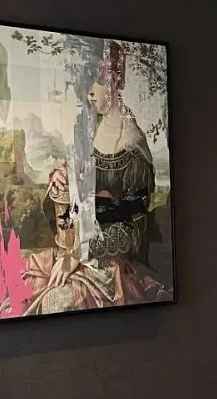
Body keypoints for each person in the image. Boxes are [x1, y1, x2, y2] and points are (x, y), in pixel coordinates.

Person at [20, 42, 167, 315]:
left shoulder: (132, 146)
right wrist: (61, 182)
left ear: (115, 81)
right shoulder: (86, 126)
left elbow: (133, 229)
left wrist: (80, 253)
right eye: (86, 81)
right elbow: (76, 191)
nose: (89, 91)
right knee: (31, 282)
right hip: (76, 245)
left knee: (61, 298)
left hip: (112, 260)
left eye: (97, 82)